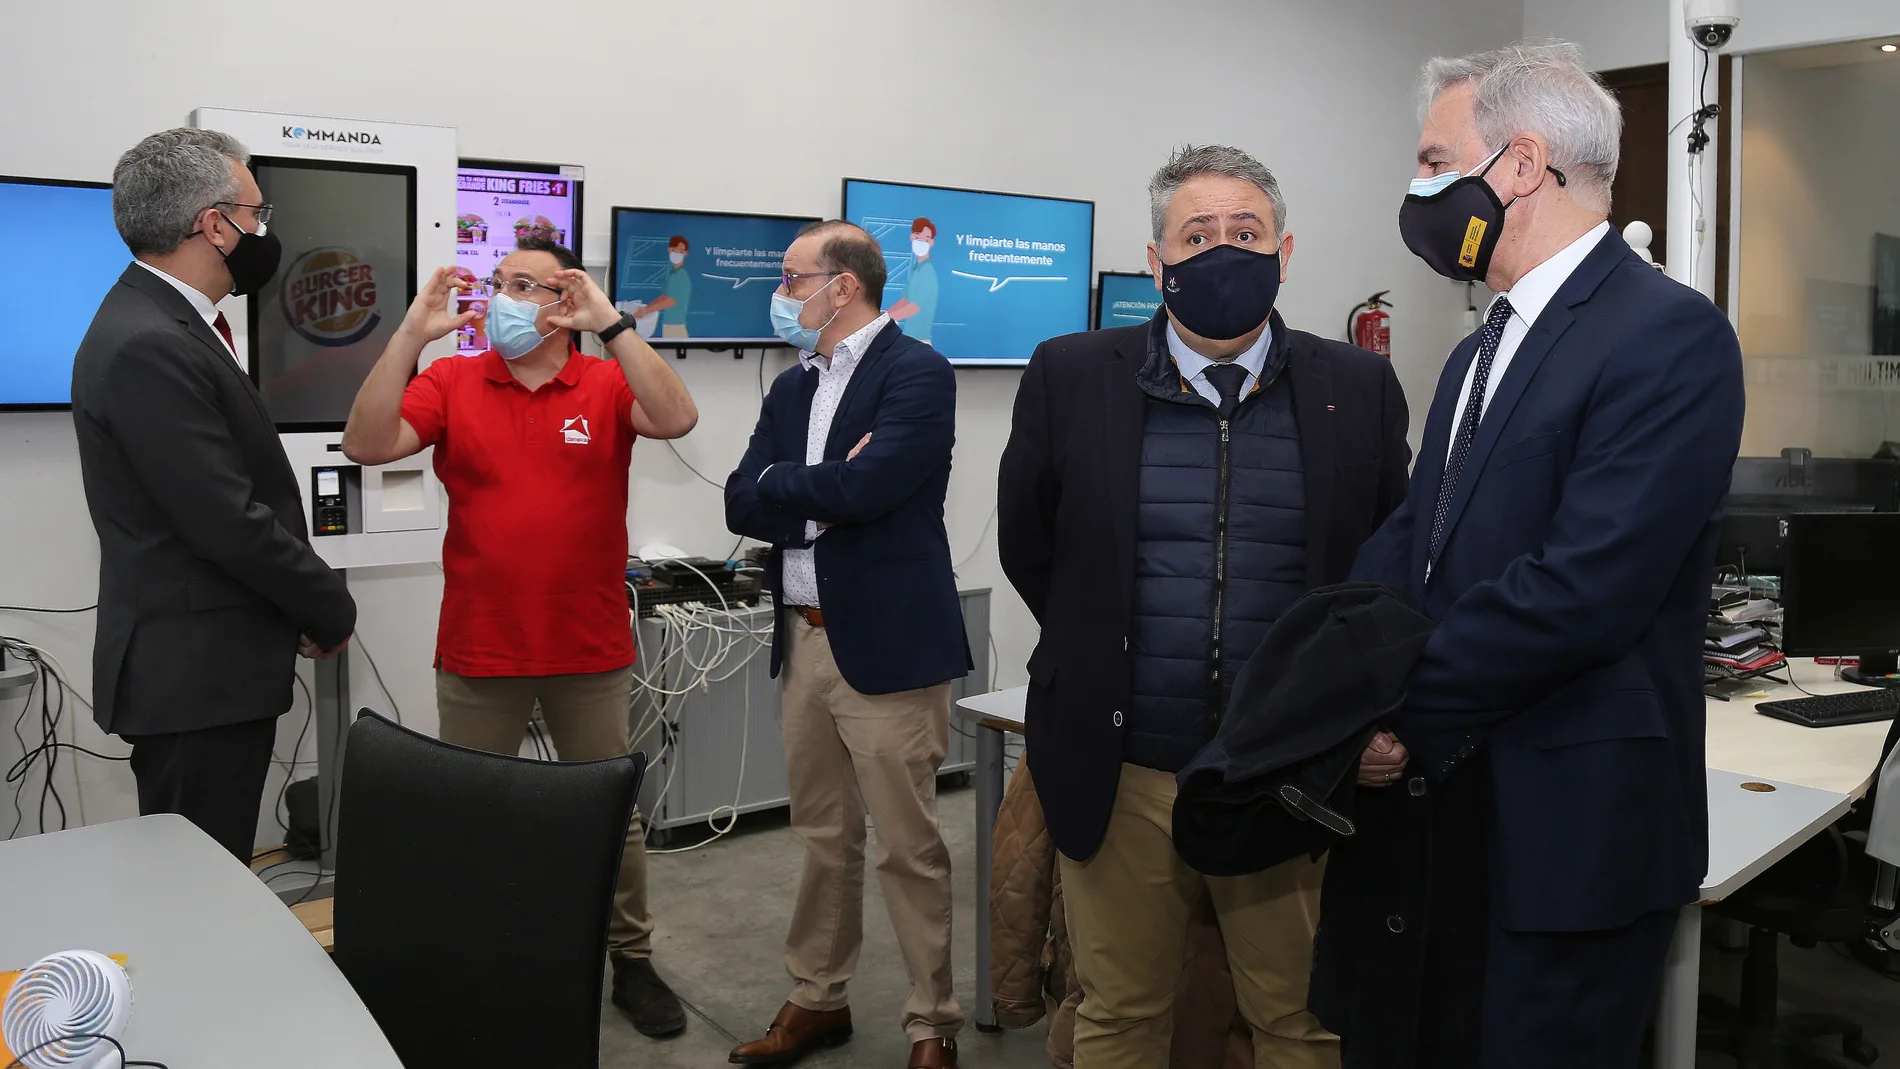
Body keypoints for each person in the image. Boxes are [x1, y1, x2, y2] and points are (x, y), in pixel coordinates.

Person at [1312, 42, 1746, 1069]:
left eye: (1431, 157)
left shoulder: (1668, 336)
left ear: (1516, 164)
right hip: (1436, 819)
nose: (1415, 188)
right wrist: (1335, 687)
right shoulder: (1479, 344)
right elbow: (1411, 542)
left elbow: (1581, 589)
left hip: (1564, 838)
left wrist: (1400, 713)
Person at [996, 144, 1412, 1069]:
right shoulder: (1071, 374)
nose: (1223, 250)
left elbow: (1388, 570)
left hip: (1288, 768)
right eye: (1197, 234)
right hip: (1123, 761)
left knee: (1302, 1018)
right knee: (1117, 1012)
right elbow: (1033, 547)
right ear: (1157, 261)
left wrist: (1367, 716)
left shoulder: (1357, 388)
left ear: (1284, 249)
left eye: (1245, 232)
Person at [339, 238, 699, 1038]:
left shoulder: (605, 381)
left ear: (565, 298)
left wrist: (614, 325)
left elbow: (676, 416)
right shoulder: (454, 378)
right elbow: (365, 445)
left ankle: (631, 961)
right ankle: (474, 960)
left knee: (615, 815)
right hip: (482, 641)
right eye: (499, 283)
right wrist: (408, 336)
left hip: (588, 643)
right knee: (470, 812)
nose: (502, 296)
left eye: (522, 285)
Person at [70, 128, 357, 862]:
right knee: (194, 883)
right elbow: (224, 517)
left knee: (204, 875)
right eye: (258, 214)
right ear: (214, 222)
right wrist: (323, 601)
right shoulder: (149, 340)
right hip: (194, 676)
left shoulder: (166, 323)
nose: (266, 232)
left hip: (209, 665)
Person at [724, 220, 970, 1069]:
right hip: (804, 643)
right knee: (823, 835)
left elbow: (872, 486)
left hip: (890, 650)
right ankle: (817, 997)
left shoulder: (919, 372)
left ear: (843, 286)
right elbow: (738, 502)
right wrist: (819, 493)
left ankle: (932, 1021)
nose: (782, 295)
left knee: (909, 846)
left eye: (792, 280)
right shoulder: (795, 388)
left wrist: (796, 490)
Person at [887, 217, 939, 343]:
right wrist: (883, 316)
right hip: (910, 340)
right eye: (917, 236)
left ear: (931, 242)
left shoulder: (927, 272)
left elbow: (914, 307)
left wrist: (883, 322)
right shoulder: (917, 270)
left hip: (921, 342)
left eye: (925, 238)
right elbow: (905, 300)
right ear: (911, 237)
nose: (920, 241)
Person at [639, 235, 693, 338]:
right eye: (674, 249)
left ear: (685, 253)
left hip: (676, 326)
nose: (677, 253)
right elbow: (663, 296)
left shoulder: (681, 276)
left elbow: (671, 301)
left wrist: (645, 311)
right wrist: (646, 309)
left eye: (681, 251)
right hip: (669, 324)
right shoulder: (673, 274)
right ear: (669, 250)